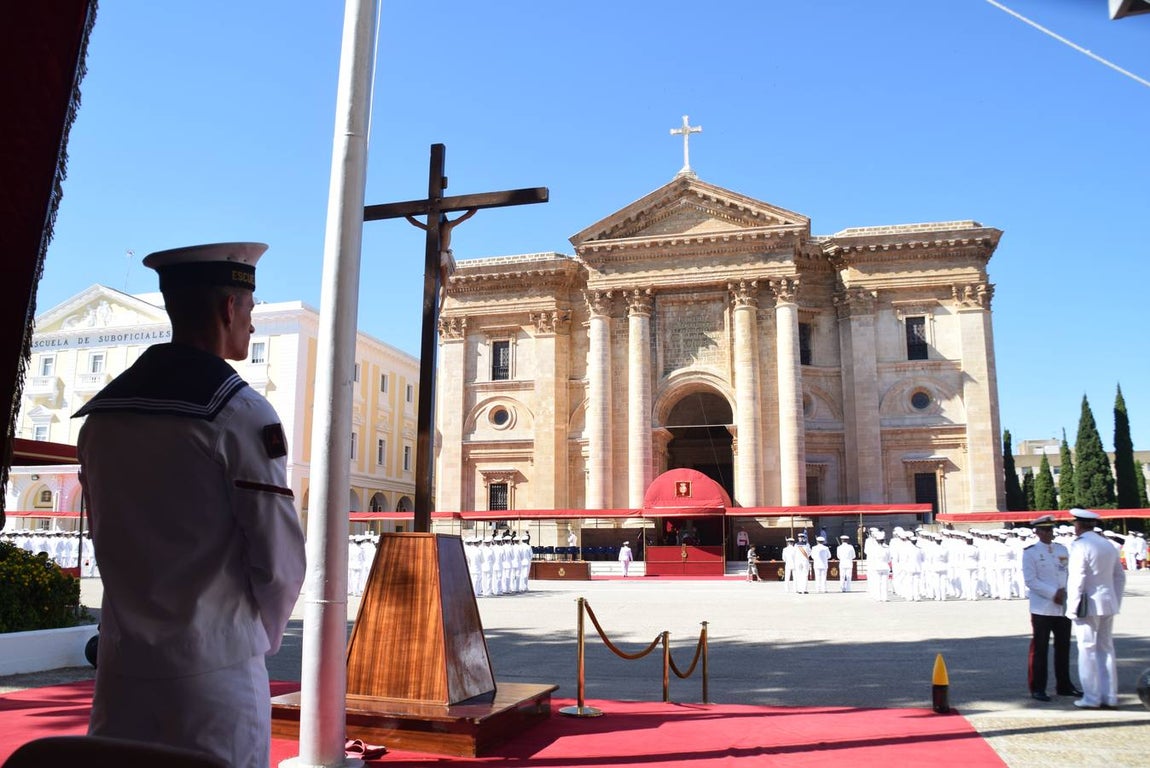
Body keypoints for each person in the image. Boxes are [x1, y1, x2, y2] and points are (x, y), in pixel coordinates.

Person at [76, 243, 307, 768]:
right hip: (213, 677)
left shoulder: (100, 420)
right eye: (250, 310)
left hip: (122, 666)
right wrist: (245, 640)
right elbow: (280, 564)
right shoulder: (242, 413)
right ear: (230, 308)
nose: (251, 325)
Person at [1065, 508, 1126, 709]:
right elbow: (1119, 576)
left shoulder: (1081, 545)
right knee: (1106, 649)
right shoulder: (1107, 545)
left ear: (1079, 525)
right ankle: (1110, 696)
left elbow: (1077, 578)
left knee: (1087, 649)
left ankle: (1091, 697)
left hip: (1087, 604)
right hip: (1108, 603)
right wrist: (1115, 599)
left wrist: (1072, 606)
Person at [1021, 515, 1079, 702]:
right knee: (1040, 648)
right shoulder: (1030, 552)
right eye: (1045, 530)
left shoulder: (1061, 550)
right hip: (1043, 607)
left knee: (1063, 647)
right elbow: (1031, 580)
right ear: (1037, 532)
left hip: (1062, 606)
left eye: (1050, 530)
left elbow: (1068, 572)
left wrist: (1065, 591)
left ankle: (1064, 684)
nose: (1049, 533)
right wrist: (1053, 593)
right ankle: (1038, 687)